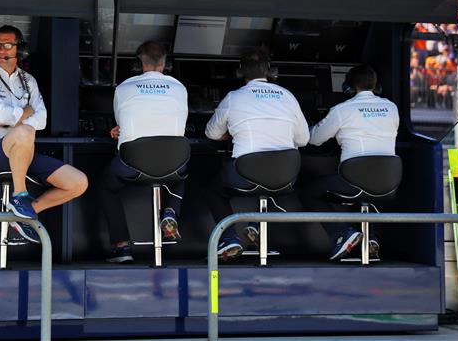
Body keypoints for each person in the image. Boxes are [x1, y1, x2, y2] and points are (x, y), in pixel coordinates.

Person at [0, 24, 87, 243]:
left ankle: (23, 216)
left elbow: (41, 120)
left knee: (78, 182)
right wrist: (23, 114)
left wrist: (10, 119)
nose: (1, 50)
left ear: (20, 50)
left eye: (7, 45)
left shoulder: (28, 80)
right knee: (24, 131)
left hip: (23, 152)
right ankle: (20, 196)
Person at [204, 49, 309, 261]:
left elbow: (211, 133)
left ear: (240, 72)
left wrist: (231, 132)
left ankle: (230, 238)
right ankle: (256, 226)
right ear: (270, 72)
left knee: (213, 189)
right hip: (285, 174)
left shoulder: (234, 97)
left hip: (246, 173)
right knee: (271, 181)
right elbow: (303, 140)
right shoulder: (287, 96)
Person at [100, 41, 188, 263]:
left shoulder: (124, 88)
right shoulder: (179, 88)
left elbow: (123, 125)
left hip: (132, 164)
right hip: (173, 164)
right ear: (165, 63)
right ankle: (170, 212)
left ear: (138, 63)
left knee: (106, 187)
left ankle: (122, 248)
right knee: (180, 175)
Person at [301, 65, 399, 261]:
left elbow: (314, 139)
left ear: (348, 87)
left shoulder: (342, 110)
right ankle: (372, 239)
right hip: (388, 181)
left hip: (355, 179)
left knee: (308, 192)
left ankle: (341, 234)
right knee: (369, 193)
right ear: (376, 86)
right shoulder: (391, 107)